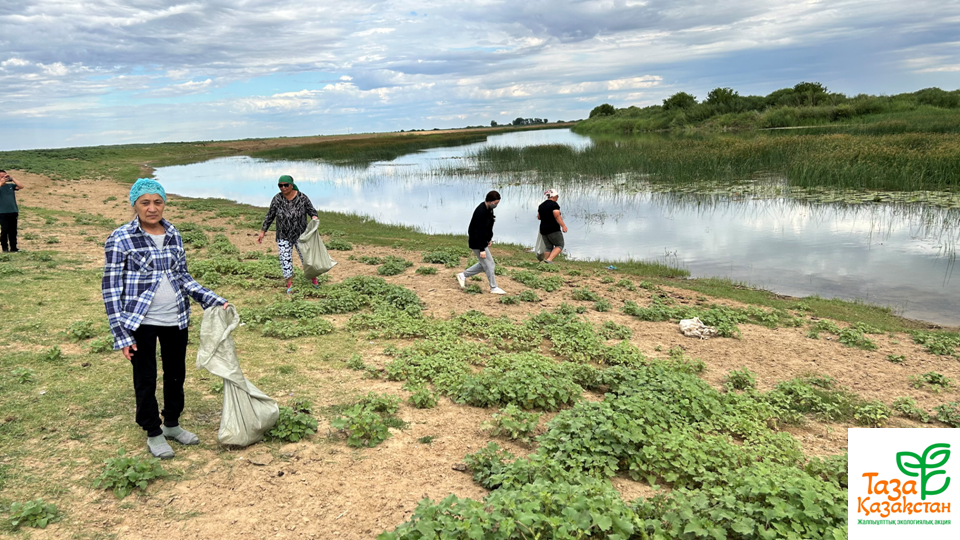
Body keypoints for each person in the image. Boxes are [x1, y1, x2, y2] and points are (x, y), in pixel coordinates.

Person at [102, 178, 230, 459]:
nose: (152, 208)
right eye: (145, 202)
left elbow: (183, 276)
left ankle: (171, 423)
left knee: (176, 375)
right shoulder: (121, 238)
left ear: (164, 204)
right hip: (140, 323)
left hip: (176, 318)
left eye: (157, 202)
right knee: (145, 378)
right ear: (134, 205)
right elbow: (111, 289)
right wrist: (121, 334)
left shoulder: (173, 234)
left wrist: (212, 299)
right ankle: (153, 431)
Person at [257, 175, 320, 293]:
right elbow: (270, 216)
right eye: (280, 185)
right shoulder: (277, 199)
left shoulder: (302, 197)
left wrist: (314, 217)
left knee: (307, 259)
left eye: (286, 185)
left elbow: (312, 210)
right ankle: (289, 285)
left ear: (292, 185)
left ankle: (314, 280)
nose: (283, 188)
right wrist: (263, 232)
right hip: (283, 235)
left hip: (301, 235)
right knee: (285, 260)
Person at [457, 190, 506, 294]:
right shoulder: (480, 211)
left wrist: (489, 239)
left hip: (483, 241)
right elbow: (477, 231)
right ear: (490, 201)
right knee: (489, 264)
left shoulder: (488, 209)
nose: (496, 205)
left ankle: (463, 275)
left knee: (485, 263)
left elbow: (487, 227)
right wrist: (482, 249)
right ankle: (493, 287)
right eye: (495, 203)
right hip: (477, 243)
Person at [537, 189, 568, 264]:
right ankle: (549, 260)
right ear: (554, 196)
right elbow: (557, 215)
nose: (557, 198)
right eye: (557, 196)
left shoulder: (541, 205)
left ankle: (546, 262)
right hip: (553, 229)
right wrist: (563, 226)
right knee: (560, 244)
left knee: (548, 247)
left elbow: (539, 217)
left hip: (543, 229)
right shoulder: (554, 205)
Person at [0, 170, 23, 253]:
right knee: (5, 230)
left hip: (13, 211)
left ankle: (13, 247)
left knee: (13, 231)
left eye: (5, 176)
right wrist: (1, 183)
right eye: (1, 176)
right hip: (2, 212)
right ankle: (4, 248)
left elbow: (21, 186)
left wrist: (12, 178)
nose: (3, 178)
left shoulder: (10, 186)